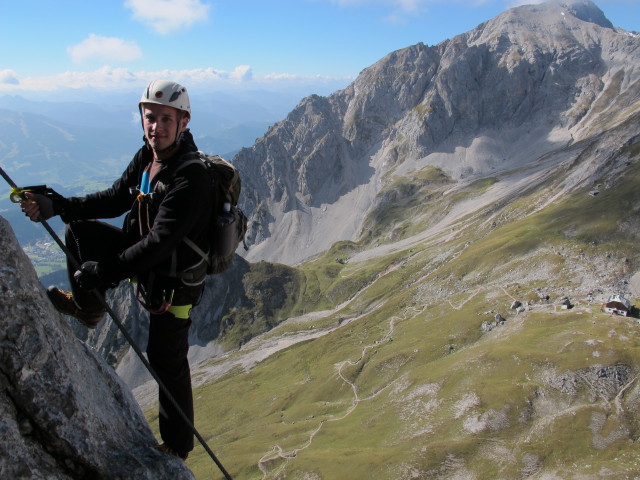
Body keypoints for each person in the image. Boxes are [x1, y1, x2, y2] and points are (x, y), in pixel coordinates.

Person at [20, 80, 214, 461]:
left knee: (165, 359)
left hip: (173, 281)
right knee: (78, 233)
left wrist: (105, 272)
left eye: (165, 119)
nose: (155, 126)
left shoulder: (190, 178)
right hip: (142, 254)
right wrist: (58, 205)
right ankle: (89, 309)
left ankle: (178, 447)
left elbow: (159, 243)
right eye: (150, 117)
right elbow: (113, 198)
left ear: (184, 122)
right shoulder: (147, 155)